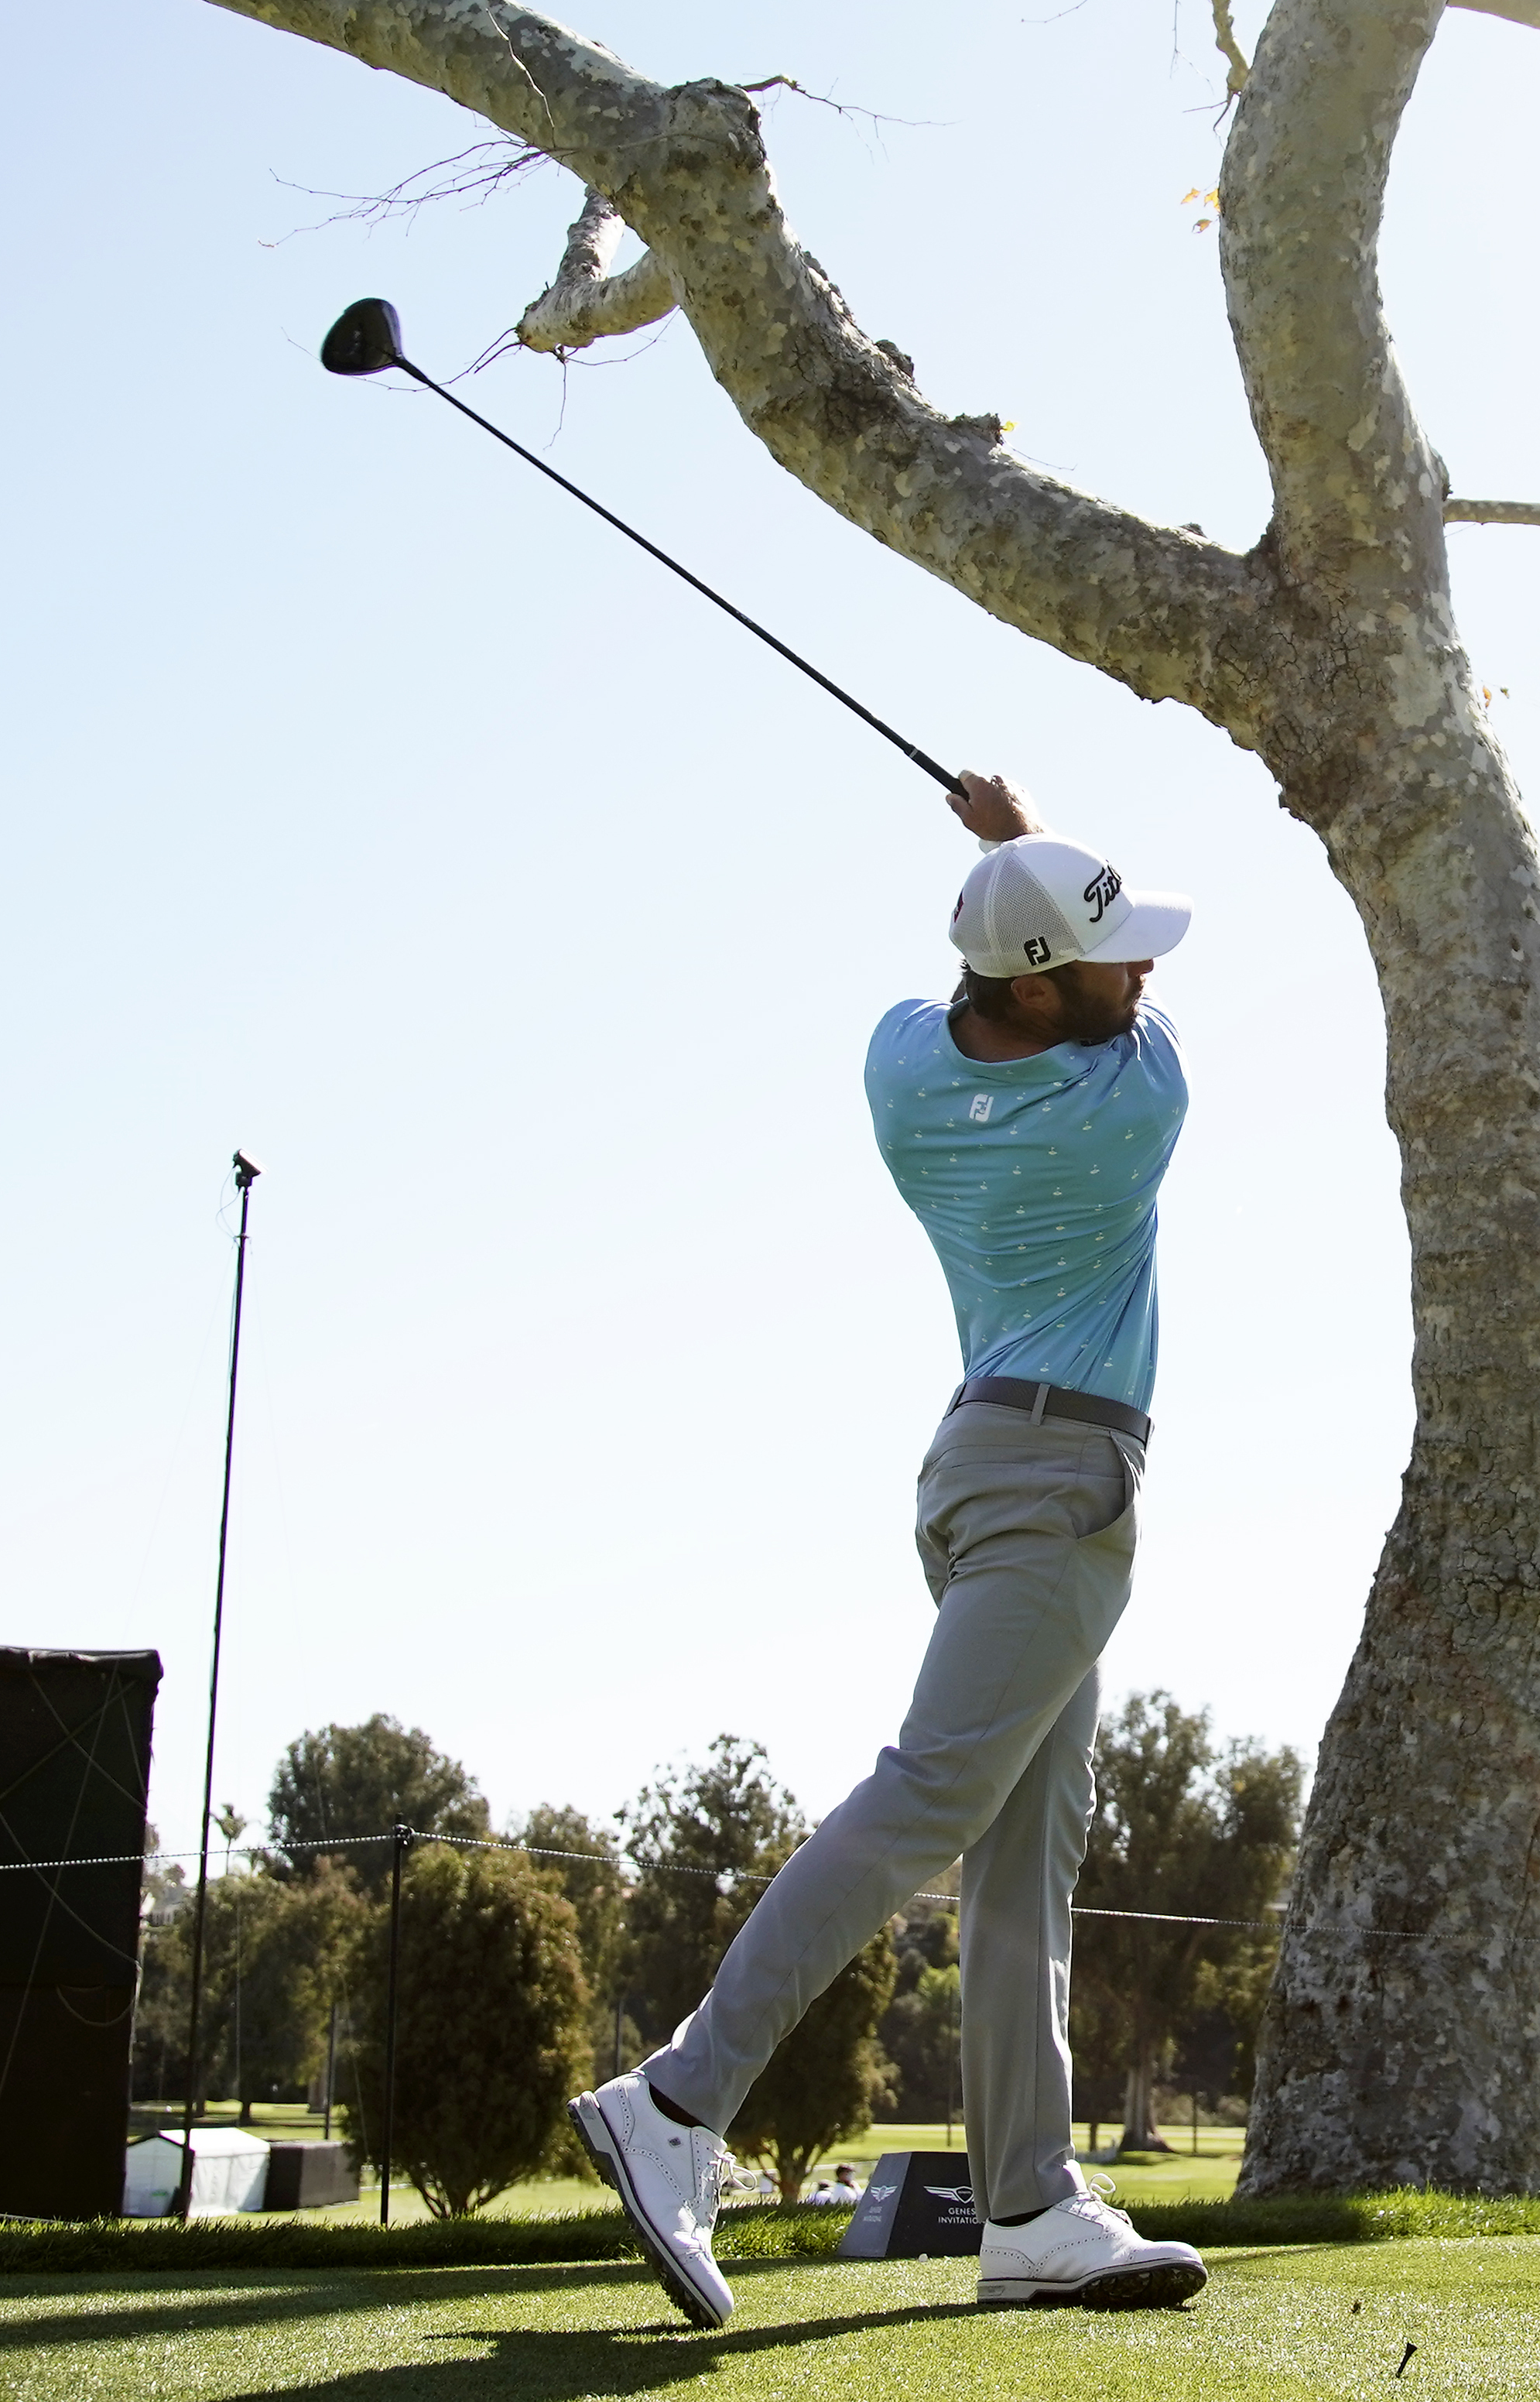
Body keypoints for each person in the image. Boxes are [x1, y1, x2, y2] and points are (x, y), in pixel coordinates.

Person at [569, 769, 1210, 2325]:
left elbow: (985, 992)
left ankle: (1029, 2208)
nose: (1150, 976)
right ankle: (677, 2101)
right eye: (1122, 957)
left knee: (1022, 1847)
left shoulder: (900, 1075)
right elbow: (1110, 1009)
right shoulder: (1139, 1101)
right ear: (1052, 981)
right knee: (934, 1795)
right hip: (1059, 1477)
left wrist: (1015, 871)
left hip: (977, 1459)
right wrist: (1010, 834)